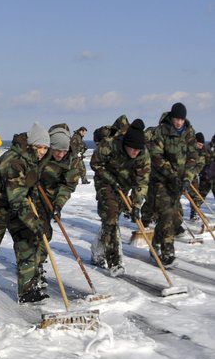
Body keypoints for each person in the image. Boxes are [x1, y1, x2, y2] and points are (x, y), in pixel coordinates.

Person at [0, 123, 49, 303]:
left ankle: (27, 291)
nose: (43, 151)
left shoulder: (33, 159)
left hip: (15, 206)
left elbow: (28, 191)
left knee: (27, 243)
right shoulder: (14, 161)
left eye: (45, 147)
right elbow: (17, 199)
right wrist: (34, 222)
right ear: (31, 145)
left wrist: (36, 217)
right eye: (39, 147)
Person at [90, 122, 150, 275]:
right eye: (133, 149)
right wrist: (111, 180)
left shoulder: (143, 155)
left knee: (111, 219)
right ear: (125, 144)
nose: (135, 152)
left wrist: (136, 204)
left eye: (138, 150)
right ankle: (115, 262)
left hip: (124, 186)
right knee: (110, 215)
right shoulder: (109, 145)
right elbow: (95, 163)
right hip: (105, 183)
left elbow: (141, 182)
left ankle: (97, 248)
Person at [147, 103, 197, 265]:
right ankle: (167, 251)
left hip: (179, 181)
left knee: (174, 216)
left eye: (181, 119)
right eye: (176, 119)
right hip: (161, 180)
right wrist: (172, 175)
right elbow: (156, 156)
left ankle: (155, 242)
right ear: (171, 117)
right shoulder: (162, 131)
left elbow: (193, 157)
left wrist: (187, 178)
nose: (179, 122)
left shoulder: (189, 132)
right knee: (167, 213)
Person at [35, 124, 83, 287]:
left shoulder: (72, 159)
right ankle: (34, 270)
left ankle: (38, 265)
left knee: (45, 233)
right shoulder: (41, 151)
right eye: (57, 151)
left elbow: (68, 185)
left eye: (64, 151)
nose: (61, 154)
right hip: (32, 195)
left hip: (51, 197)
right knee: (37, 232)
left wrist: (58, 204)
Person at [188, 132, 210, 221]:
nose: (200, 146)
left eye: (202, 144)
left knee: (196, 195)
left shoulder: (203, 152)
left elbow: (200, 165)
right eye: (199, 144)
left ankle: (195, 213)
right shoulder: (187, 148)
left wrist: (193, 173)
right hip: (182, 174)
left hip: (193, 175)